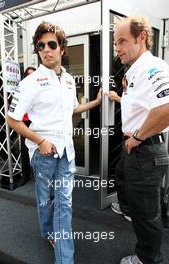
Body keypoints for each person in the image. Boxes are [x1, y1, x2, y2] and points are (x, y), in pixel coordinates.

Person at [7, 22, 101, 264]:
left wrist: (96, 102)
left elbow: (73, 109)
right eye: (41, 46)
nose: (46, 50)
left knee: (64, 205)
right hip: (44, 154)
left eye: (51, 44)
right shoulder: (30, 82)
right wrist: (40, 141)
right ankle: (48, 231)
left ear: (62, 49)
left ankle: (64, 259)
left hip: (66, 153)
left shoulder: (69, 80)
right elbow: (12, 119)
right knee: (44, 200)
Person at [109, 16, 169, 264]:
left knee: (147, 215)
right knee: (129, 190)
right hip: (138, 148)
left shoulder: (152, 67)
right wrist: (118, 97)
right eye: (115, 43)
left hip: (144, 148)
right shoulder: (135, 71)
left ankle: (148, 259)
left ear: (141, 37)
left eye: (122, 41)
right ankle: (130, 211)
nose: (118, 48)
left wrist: (136, 138)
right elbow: (143, 108)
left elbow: (166, 109)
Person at [106, 91, 131, 222]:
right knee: (122, 171)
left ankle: (128, 210)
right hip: (131, 138)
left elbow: (136, 106)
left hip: (136, 139)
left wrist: (117, 98)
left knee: (127, 175)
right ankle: (126, 207)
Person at [20, 66, 36, 185]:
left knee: (39, 149)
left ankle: (39, 175)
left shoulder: (41, 88)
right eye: (28, 75)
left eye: (33, 74)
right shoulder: (21, 88)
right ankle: (25, 175)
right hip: (24, 122)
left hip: (37, 122)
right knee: (24, 149)